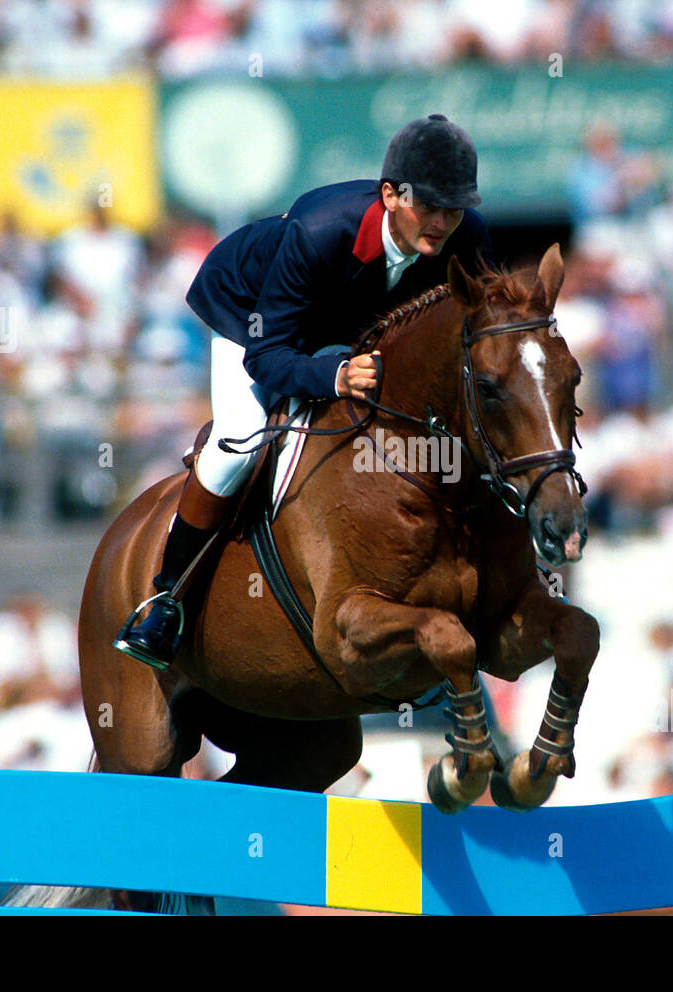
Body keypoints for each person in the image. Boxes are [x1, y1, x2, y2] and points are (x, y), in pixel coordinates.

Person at [115, 114, 494, 670]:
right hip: (253, 317)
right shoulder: (320, 230)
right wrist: (334, 377)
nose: (441, 222)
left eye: (453, 209)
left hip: (346, 326)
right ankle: (166, 600)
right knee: (239, 444)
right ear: (390, 195)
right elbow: (267, 357)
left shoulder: (470, 236)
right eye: (429, 207)